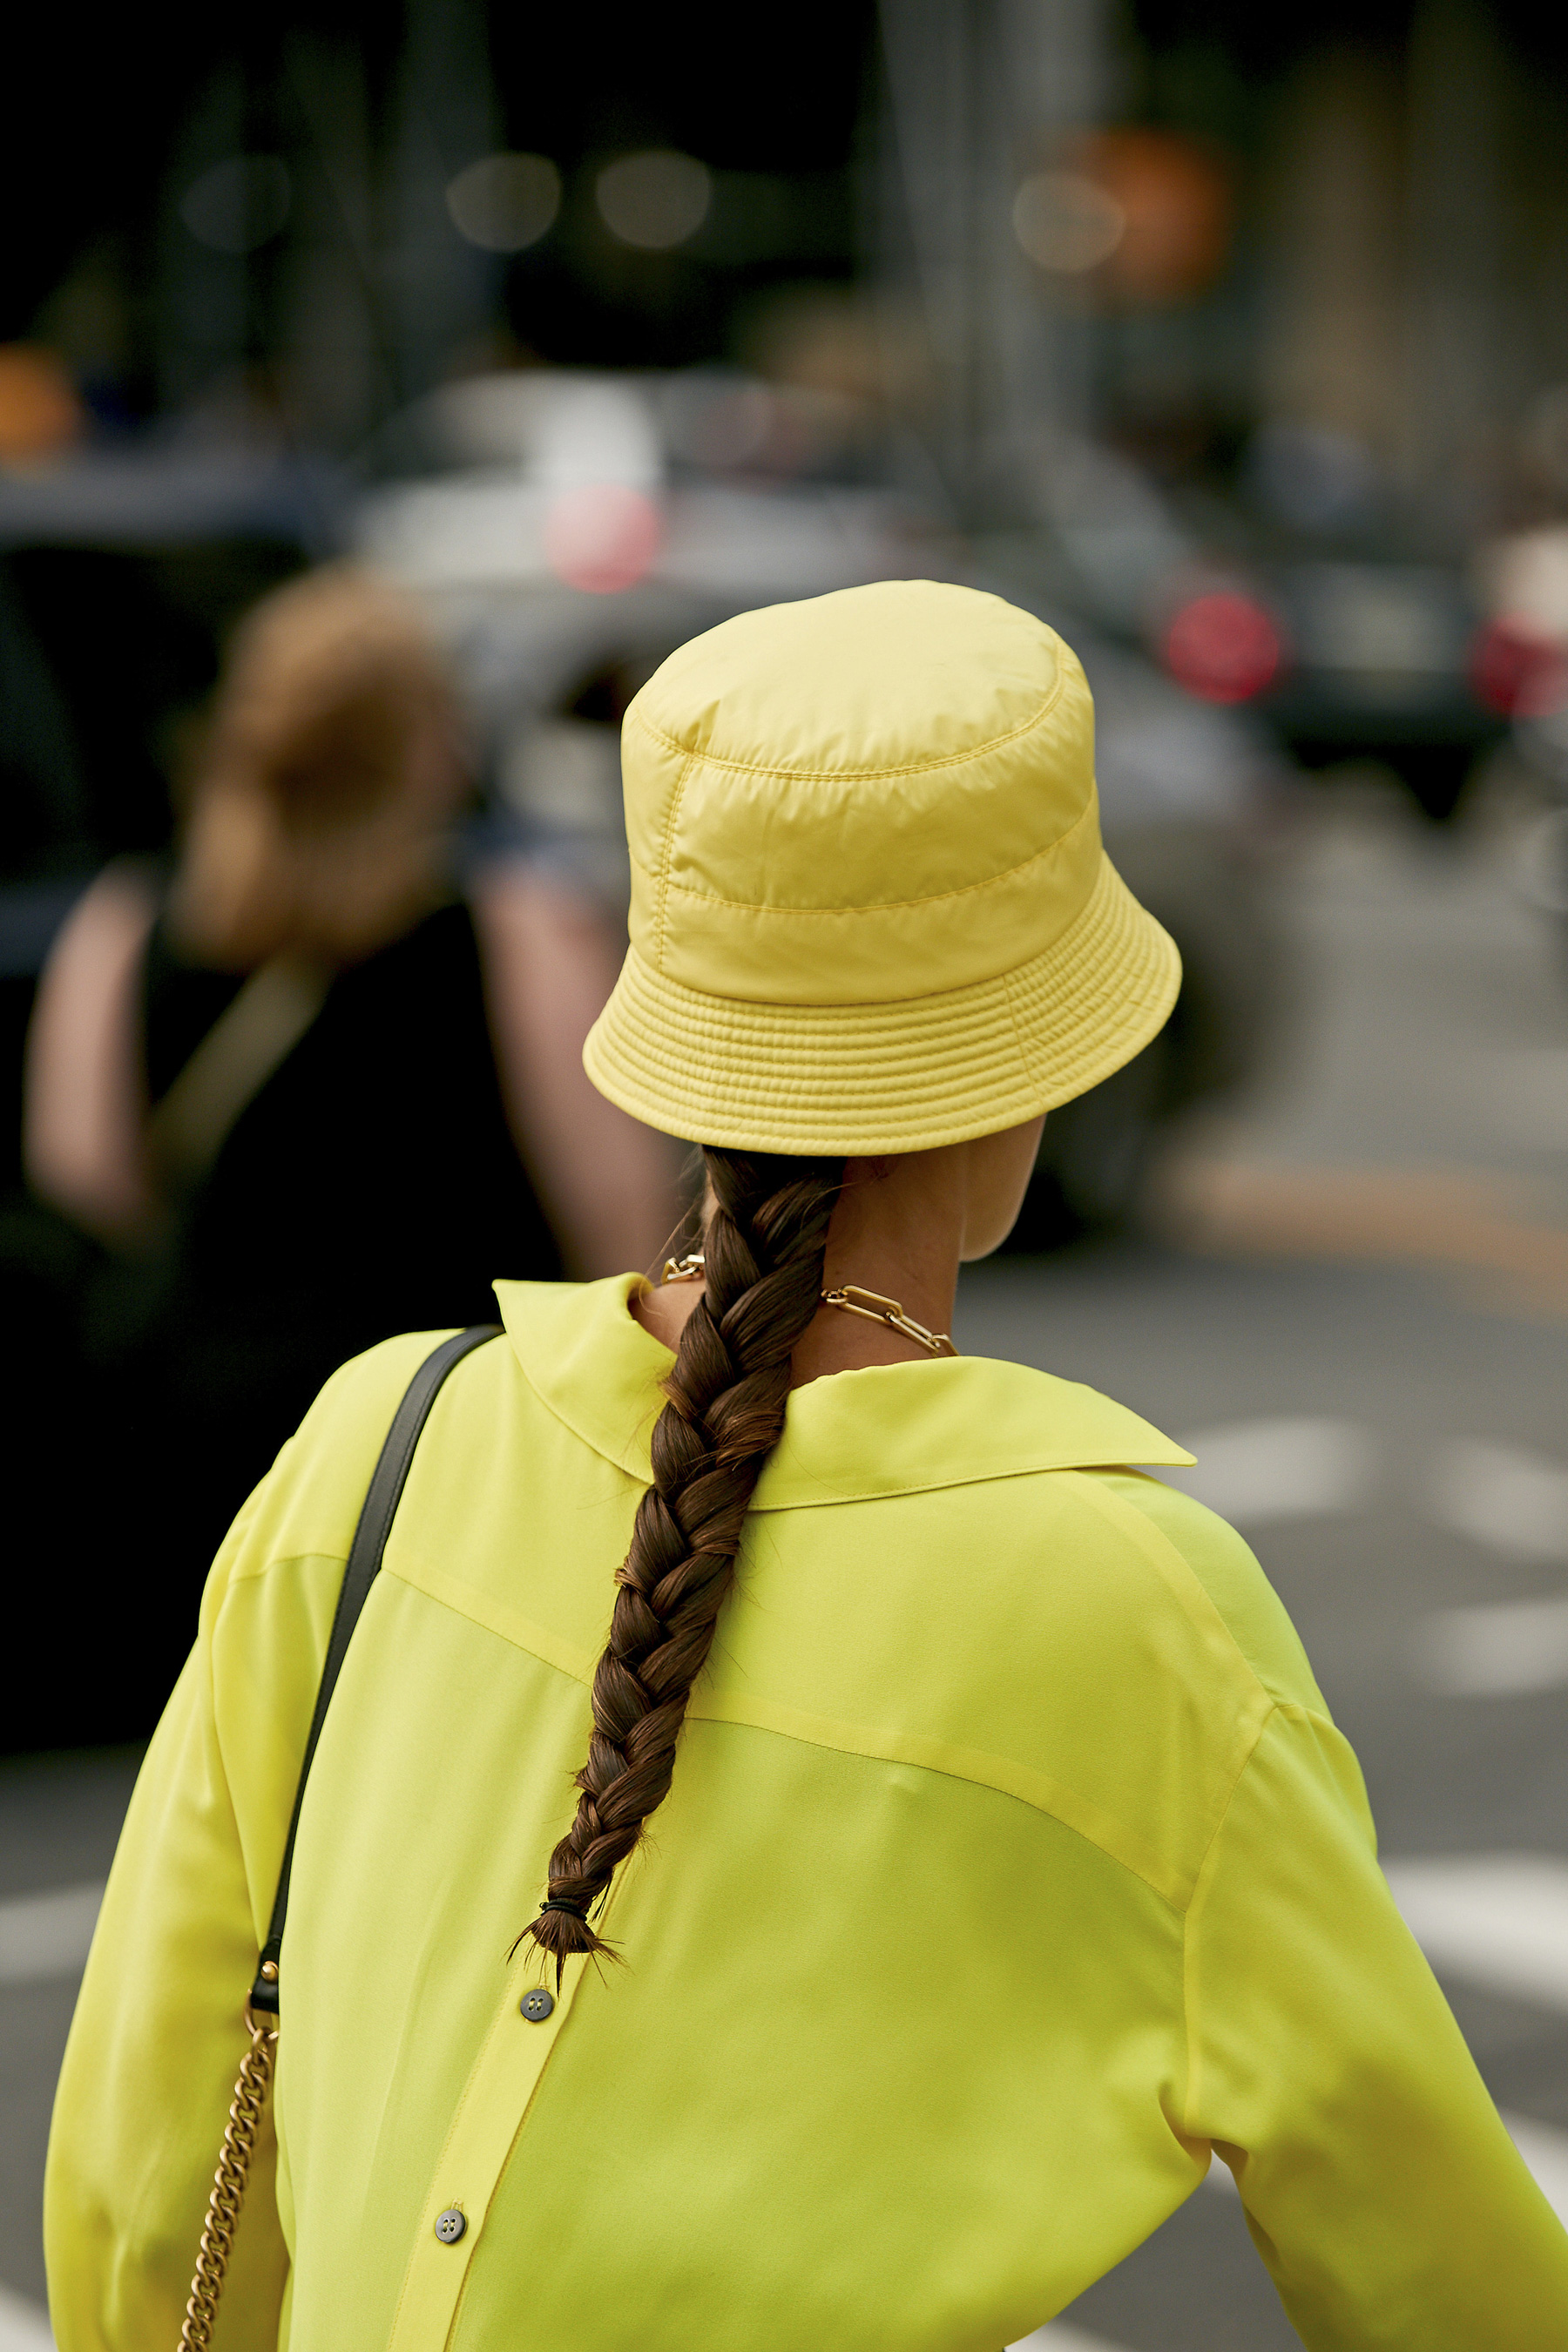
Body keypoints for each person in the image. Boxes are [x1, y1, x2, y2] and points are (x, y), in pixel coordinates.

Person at [44, 581, 1568, 2348]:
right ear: (1024, 1082)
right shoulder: (1146, 1627)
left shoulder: (379, 1441)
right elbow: (1449, 2286)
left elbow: (143, 2166)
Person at [18, 565, 674, 1740]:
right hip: (462, 1486)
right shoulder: (514, 934)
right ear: (428, 747)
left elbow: (91, 1193)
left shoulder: (122, 935)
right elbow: (618, 1223)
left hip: (218, 1497)